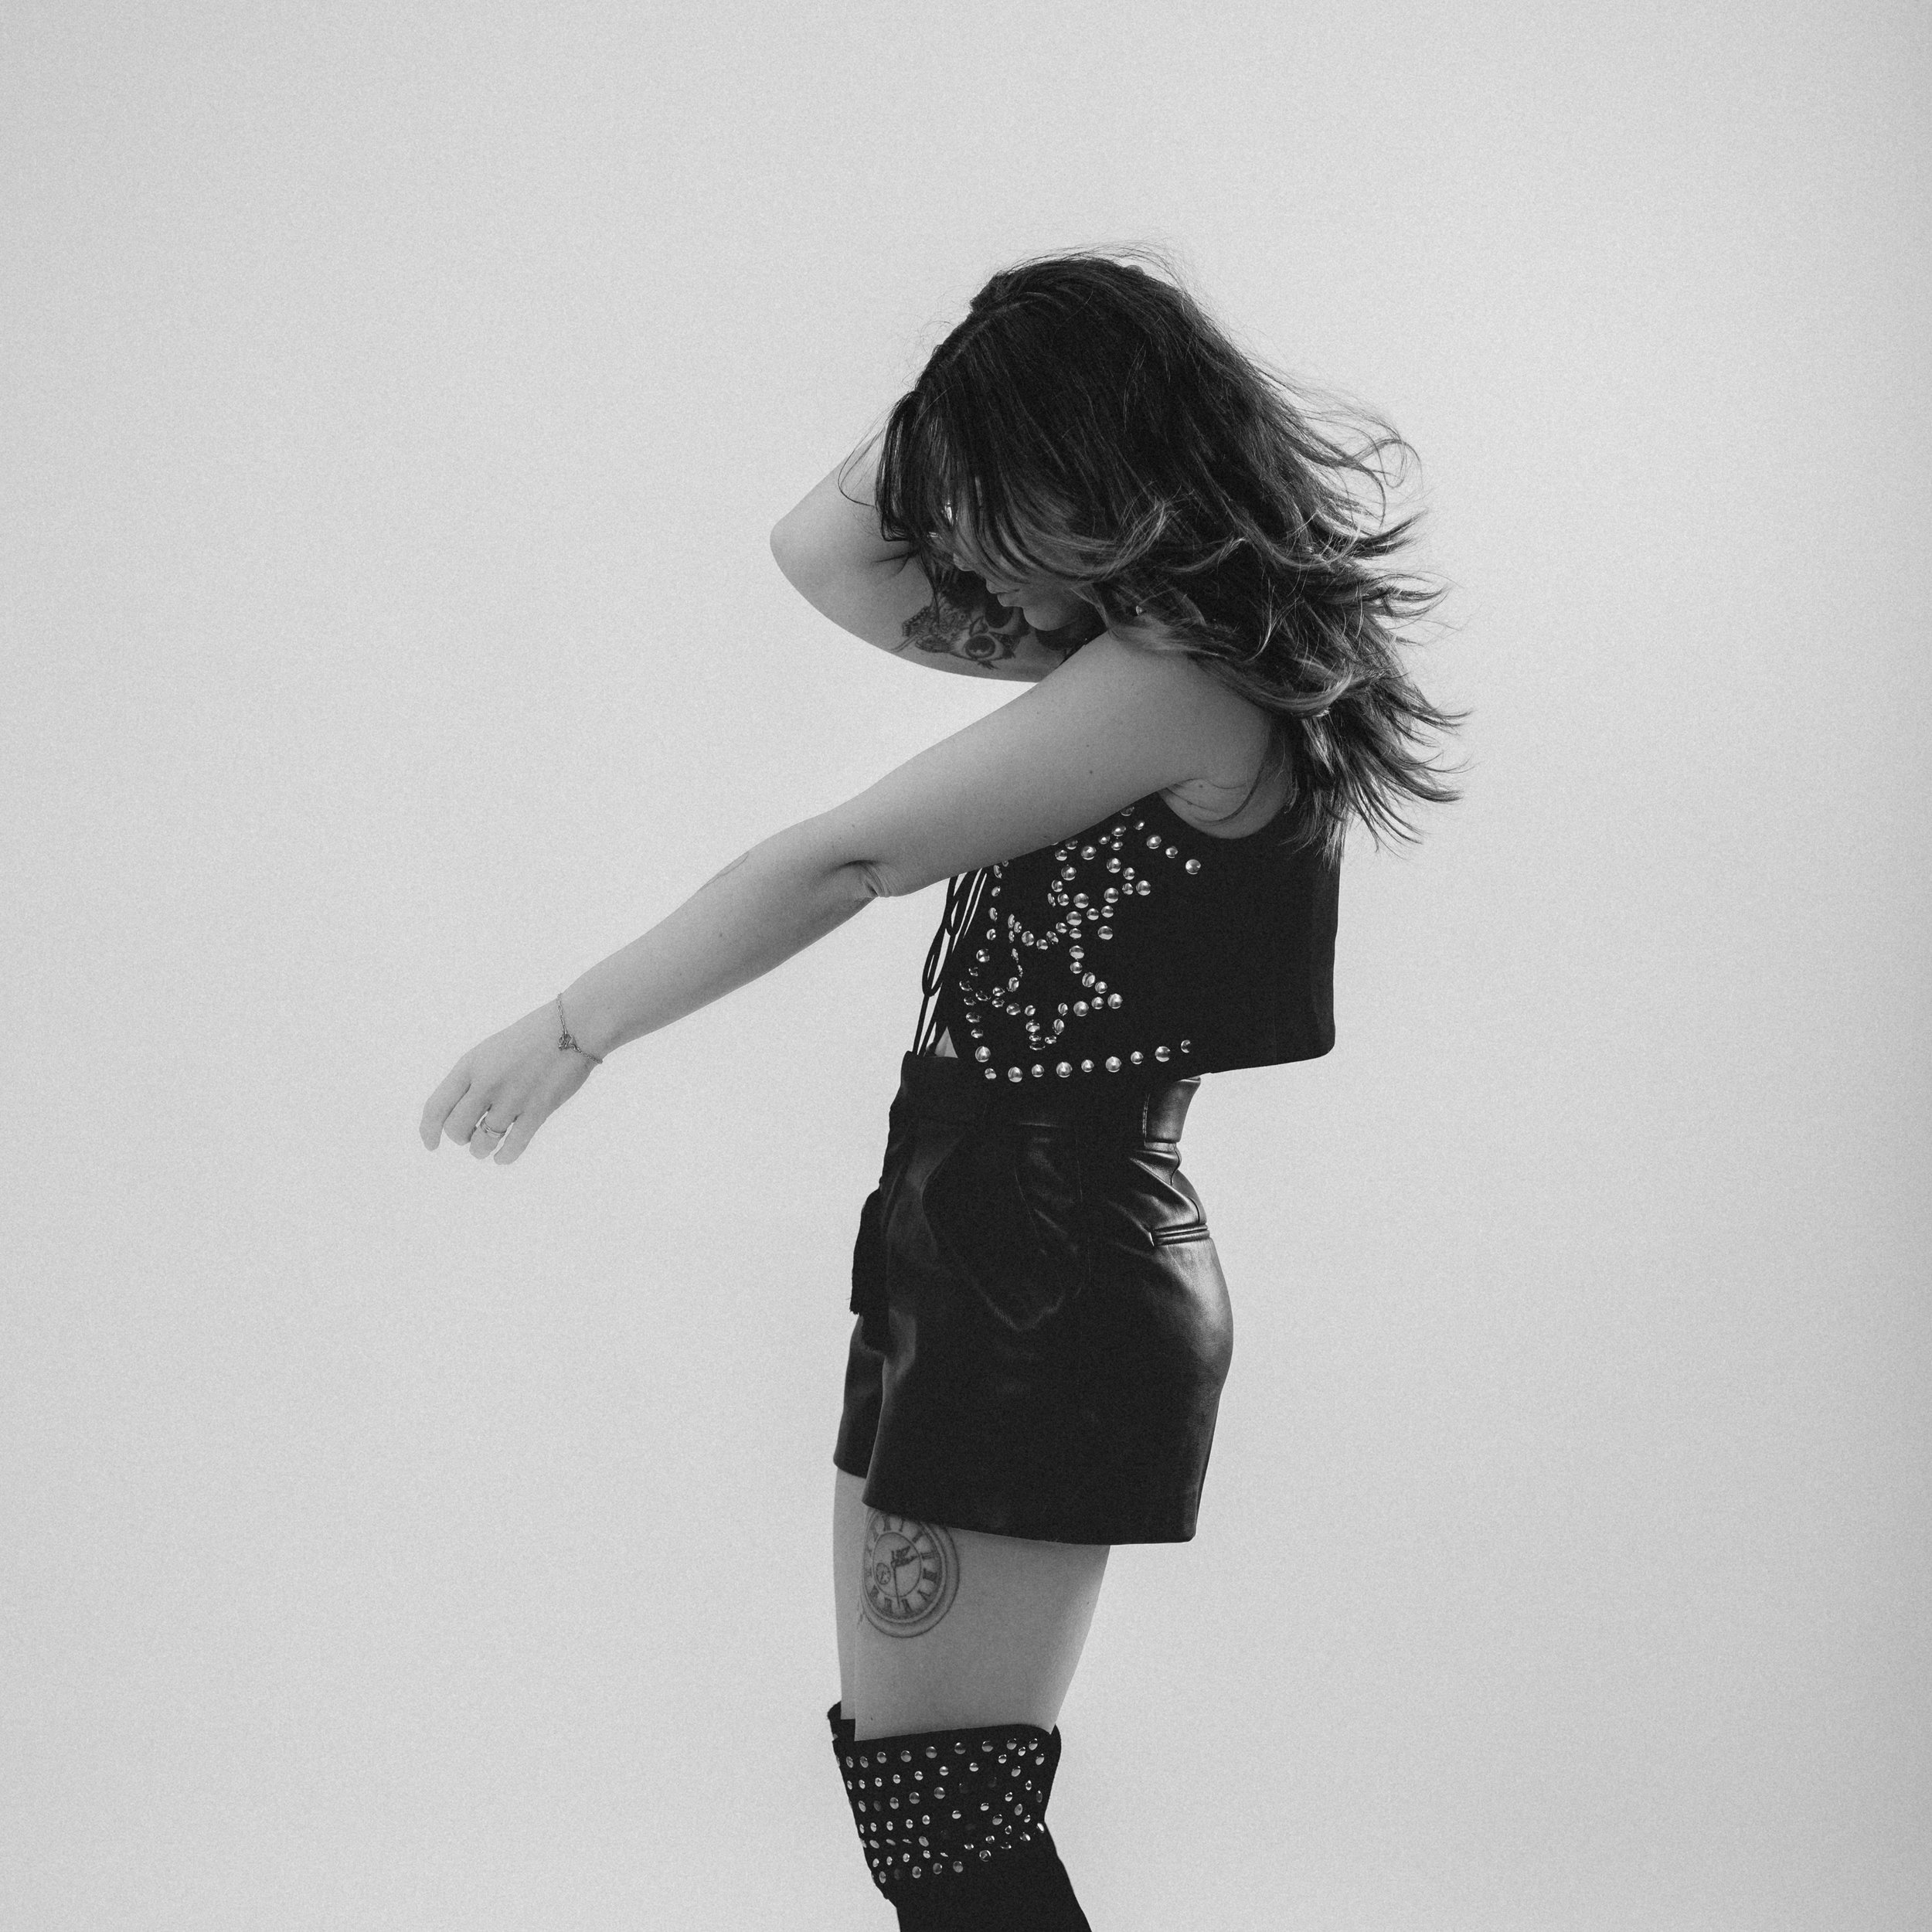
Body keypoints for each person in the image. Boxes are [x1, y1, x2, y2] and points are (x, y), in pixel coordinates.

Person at [420, 250, 1461, 1929]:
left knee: (946, 1821)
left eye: (997, 492)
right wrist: (979, 370)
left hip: (1047, 1264)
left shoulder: (1173, 679)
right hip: (971, 1236)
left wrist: (576, 1022)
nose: (959, 546)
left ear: (1096, 466)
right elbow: (819, 551)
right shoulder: (1127, 655)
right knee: (924, 1808)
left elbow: (850, 858)